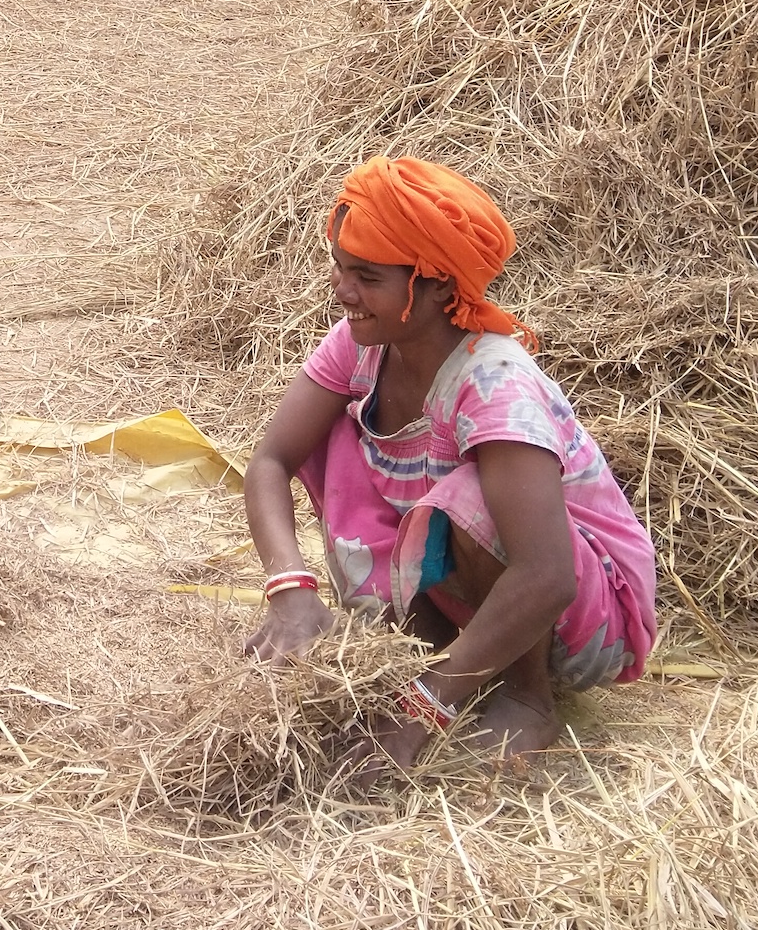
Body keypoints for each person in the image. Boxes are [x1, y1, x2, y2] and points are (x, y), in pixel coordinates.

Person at [242, 156, 657, 775]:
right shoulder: (360, 349)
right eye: (341, 269)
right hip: (464, 590)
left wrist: (420, 710)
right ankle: (444, 659)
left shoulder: (493, 383)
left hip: (574, 616)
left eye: (367, 277)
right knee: (343, 447)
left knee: (473, 496)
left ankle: (525, 694)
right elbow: (271, 461)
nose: (343, 292)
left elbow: (548, 575)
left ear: (438, 285)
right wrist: (290, 592)